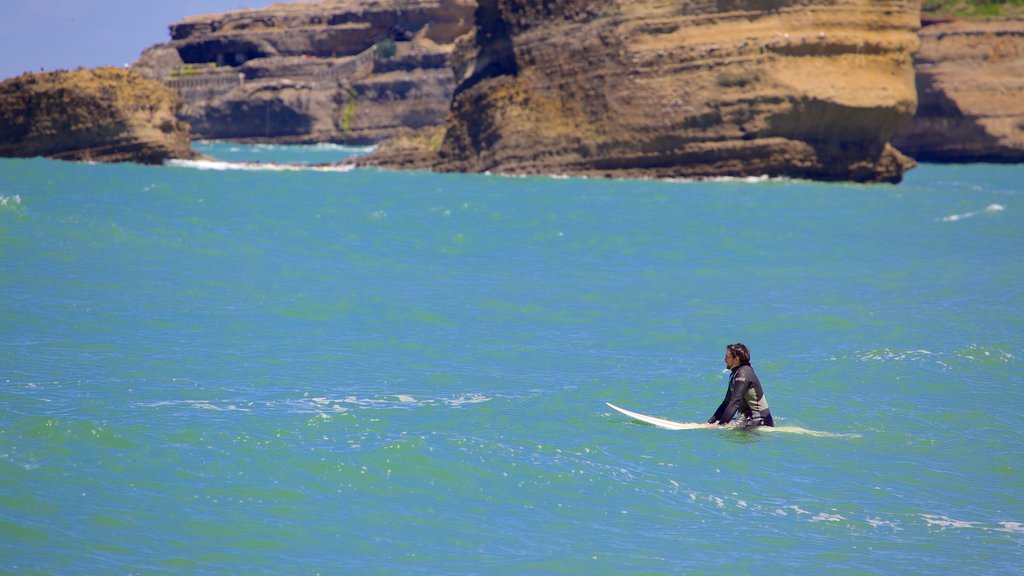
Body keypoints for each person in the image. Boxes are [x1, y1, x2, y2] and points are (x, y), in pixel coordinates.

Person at [707, 343, 774, 428]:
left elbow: (735, 402)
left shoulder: (743, 374)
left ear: (736, 359)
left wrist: (720, 426)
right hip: (747, 420)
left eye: (727, 357)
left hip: (760, 422)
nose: (724, 359)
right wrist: (711, 422)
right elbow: (726, 403)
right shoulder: (735, 374)